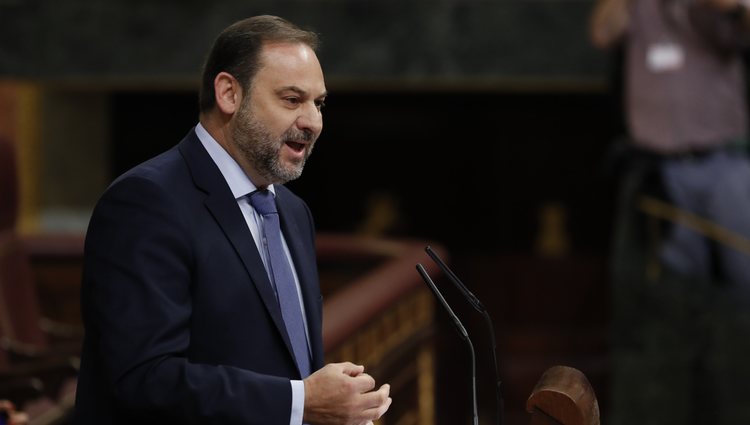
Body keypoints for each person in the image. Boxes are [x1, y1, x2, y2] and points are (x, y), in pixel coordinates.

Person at [73, 15, 392, 425]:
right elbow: (144, 378)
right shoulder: (146, 202)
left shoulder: (293, 212)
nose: (313, 121)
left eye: (319, 103)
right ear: (228, 93)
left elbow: (287, 369)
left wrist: (331, 407)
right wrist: (301, 402)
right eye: (292, 100)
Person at [590, 1, 750, 424]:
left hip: (724, 165)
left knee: (739, 303)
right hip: (655, 171)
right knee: (659, 308)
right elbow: (603, 32)